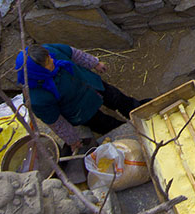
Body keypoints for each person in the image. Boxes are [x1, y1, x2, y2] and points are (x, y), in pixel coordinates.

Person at [15, 43, 148, 154]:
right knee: (105, 124)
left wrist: (94, 63)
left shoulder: (49, 52)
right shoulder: (37, 97)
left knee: (119, 99)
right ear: (37, 72)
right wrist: (72, 140)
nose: (52, 60)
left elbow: (74, 54)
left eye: (49, 57)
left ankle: (141, 112)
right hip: (80, 110)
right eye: (48, 63)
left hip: (91, 85)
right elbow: (57, 122)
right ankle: (131, 134)